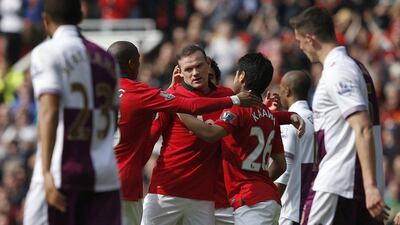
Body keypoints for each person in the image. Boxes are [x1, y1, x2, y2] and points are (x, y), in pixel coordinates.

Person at [107, 41, 261, 225]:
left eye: (199, 66)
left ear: (209, 64)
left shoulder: (97, 92)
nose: (195, 73)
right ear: (180, 71)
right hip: (163, 192)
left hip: (204, 197)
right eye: (188, 69)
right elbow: (155, 133)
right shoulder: (163, 96)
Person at [23, 0, 122, 224]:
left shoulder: (46, 52)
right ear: (80, 17)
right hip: (104, 176)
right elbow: (113, 118)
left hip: (62, 173)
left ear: (46, 19)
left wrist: (47, 172)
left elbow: (49, 110)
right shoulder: (108, 59)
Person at [290, 6, 386, 224]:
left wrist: (371, 187)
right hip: (349, 182)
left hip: (336, 182)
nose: (300, 47)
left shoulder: (339, 70)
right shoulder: (349, 67)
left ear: (310, 39)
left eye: (300, 41)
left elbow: (362, 127)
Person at [177, 53, 286, 225]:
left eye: (236, 72)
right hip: (269, 199)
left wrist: (179, 109)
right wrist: (260, 185)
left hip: (250, 201)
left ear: (241, 76)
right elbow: (281, 165)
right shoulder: (271, 117)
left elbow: (212, 134)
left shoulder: (238, 109)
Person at [274, 71, 316, 225]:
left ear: (287, 90)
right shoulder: (319, 120)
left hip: (291, 210)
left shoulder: (291, 122)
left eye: (280, 89)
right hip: (314, 207)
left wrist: (269, 203)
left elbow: (285, 168)